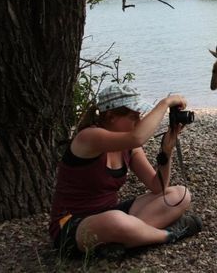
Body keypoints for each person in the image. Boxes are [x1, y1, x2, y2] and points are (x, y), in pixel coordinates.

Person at [48, 83, 202, 258]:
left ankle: (121, 242)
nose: (138, 121)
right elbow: (137, 137)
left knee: (180, 195)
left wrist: (166, 150)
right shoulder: (88, 137)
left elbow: (157, 187)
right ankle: (169, 235)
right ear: (111, 116)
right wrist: (165, 103)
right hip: (72, 225)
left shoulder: (129, 147)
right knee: (116, 220)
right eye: (133, 116)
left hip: (111, 213)